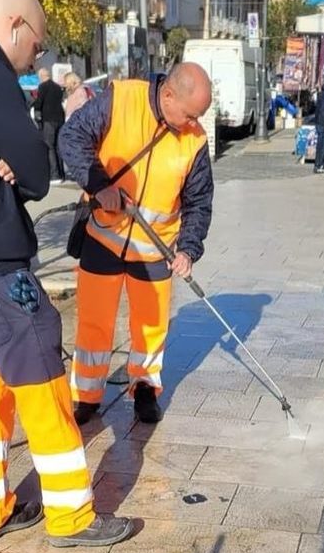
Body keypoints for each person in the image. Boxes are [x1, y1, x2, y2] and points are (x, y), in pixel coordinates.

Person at [0, 0, 133, 548]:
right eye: (37, 45)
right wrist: (10, 166)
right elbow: (38, 173)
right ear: (15, 24)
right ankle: (73, 516)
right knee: (42, 378)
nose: (36, 59)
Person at [59, 63, 214, 426]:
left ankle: (145, 388)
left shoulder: (195, 140)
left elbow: (199, 199)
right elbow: (72, 138)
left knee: (150, 327)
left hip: (156, 248)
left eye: (199, 116)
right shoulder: (121, 99)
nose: (194, 123)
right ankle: (86, 395)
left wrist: (189, 248)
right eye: (191, 114)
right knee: (94, 324)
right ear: (169, 95)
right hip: (103, 238)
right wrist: (100, 185)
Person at [33, 66, 65, 184]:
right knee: (58, 146)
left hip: (49, 119)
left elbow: (39, 102)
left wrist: (34, 107)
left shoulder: (43, 87)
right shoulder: (57, 87)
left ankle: (54, 175)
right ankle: (62, 174)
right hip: (60, 119)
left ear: (41, 76)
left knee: (49, 146)